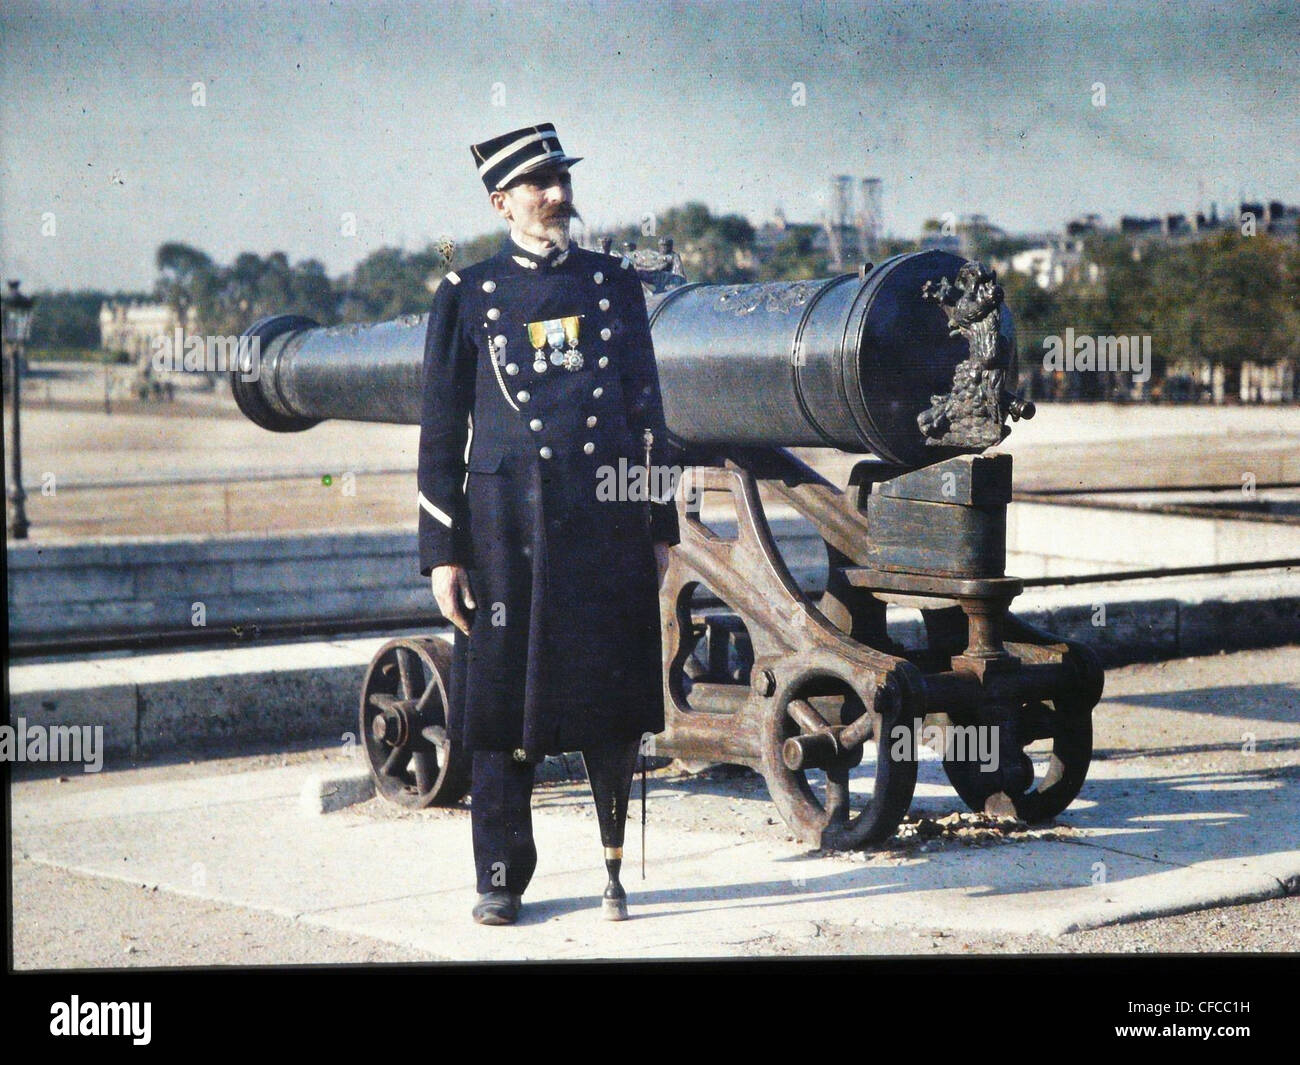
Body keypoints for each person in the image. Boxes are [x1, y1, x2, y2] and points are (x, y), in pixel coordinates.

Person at [417, 122, 679, 925]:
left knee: (610, 694)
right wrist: (441, 552)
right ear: (502, 203)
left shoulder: (614, 285)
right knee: (499, 704)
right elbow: (439, 431)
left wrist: (660, 520)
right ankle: (499, 875)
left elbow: (648, 412)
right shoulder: (467, 295)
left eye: (561, 177)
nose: (559, 195)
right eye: (539, 184)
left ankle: (611, 862)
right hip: (503, 528)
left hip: (603, 521)